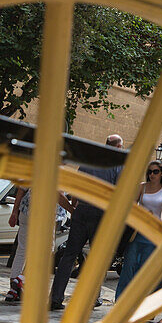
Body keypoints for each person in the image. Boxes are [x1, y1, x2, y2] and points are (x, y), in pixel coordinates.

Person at [50, 133, 124, 312]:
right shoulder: (117, 166)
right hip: (101, 213)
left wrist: (74, 209)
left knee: (69, 256)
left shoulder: (87, 163)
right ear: (117, 147)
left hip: (81, 211)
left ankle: (55, 297)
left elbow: (76, 188)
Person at [115, 160, 162, 299]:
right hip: (136, 231)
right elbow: (131, 207)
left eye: (155, 172)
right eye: (150, 172)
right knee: (129, 266)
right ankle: (121, 300)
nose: (152, 175)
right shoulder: (142, 187)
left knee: (143, 268)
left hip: (153, 233)